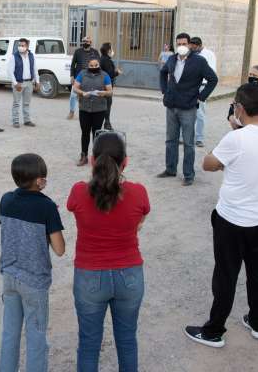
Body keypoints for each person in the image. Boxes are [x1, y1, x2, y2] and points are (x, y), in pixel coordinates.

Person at [184, 83, 258, 348]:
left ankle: (214, 330)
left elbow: (209, 164)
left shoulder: (236, 139)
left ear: (240, 108)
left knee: (226, 275)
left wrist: (228, 143)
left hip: (232, 220)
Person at [67, 132, 150, 371]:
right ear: (126, 161)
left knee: (89, 343)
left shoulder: (77, 191)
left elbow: (79, 207)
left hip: (89, 275)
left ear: (92, 161)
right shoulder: (139, 192)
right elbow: (139, 220)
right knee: (127, 341)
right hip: (130, 275)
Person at [0, 153, 65, 371]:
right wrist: (49, 223)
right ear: (39, 180)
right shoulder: (47, 207)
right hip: (34, 281)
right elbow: (60, 249)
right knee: (36, 336)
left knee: (10, 333)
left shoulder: (6, 199)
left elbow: (9, 227)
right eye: (44, 176)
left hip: (9, 275)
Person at [158, 32, 218, 185]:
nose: (181, 46)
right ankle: (170, 169)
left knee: (189, 143)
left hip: (188, 108)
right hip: (171, 106)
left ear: (190, 45)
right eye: (179, 44)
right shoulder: (172, 59)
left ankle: (188, 175)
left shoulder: (199, 61)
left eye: (184, 44)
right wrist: (164, 90)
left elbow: (213, 79)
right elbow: (163, 73)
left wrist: (201, 96)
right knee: (170, 140)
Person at [73, 58, 113, 166]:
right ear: (88, 65)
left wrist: (103, 93)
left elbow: (110, 91)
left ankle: (96, 158)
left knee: (97, 134)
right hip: (84, 108)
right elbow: (75, 87)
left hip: (99, 109)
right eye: (92, 65)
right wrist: (82, 93)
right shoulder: (82, 74)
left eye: (96, 65)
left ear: (99, 65)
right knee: (85, 133)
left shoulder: (105, 75)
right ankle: (84, 156)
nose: (94, 67)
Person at [189, 37, 217, 147]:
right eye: (191, 47)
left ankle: (199, 138)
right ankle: (183, 136)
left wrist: (203, 94)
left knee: (200, 114)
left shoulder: (209, 54)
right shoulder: (191, 53)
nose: (192, 49)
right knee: (185, 111)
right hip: (191, 86)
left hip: (202, 86)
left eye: (194, 48)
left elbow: (212, 73)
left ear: (200, 45)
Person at [7, 38, 39, 128]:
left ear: (27, 46)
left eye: (23, 45)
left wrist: (37, 81)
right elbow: (10, 71)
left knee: (26, 103)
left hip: (29, 82)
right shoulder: (14, 56)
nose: (20, 47)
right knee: (16, 103)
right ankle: (15, 121)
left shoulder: (31, 56)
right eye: (19, 45)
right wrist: (15, 83)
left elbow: (34, 69)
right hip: (19, 83)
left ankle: (27, 120)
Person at [68, 36, 100, 120]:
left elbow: (98, 65)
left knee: (89, 95)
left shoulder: (95, 52)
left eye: (88, 41)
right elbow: (73, 64)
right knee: (73, 95)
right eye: (84, 41)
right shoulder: (78, 51)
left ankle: (87, 113)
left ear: (90, 43)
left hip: (90, 77)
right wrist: (72, 76)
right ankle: (71, 112)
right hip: (78, 76)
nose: (86, 43)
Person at [99, 42, 120, 130]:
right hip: (106, 87)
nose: (112, 50)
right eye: (111, 48)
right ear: (108, 50)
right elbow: (110, 74)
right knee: (107, 105)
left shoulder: (103, 58)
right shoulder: (106, 60)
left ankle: (106, 123)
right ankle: (107, 123)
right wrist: (117, 72)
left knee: (106, 105)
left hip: (104, 86)